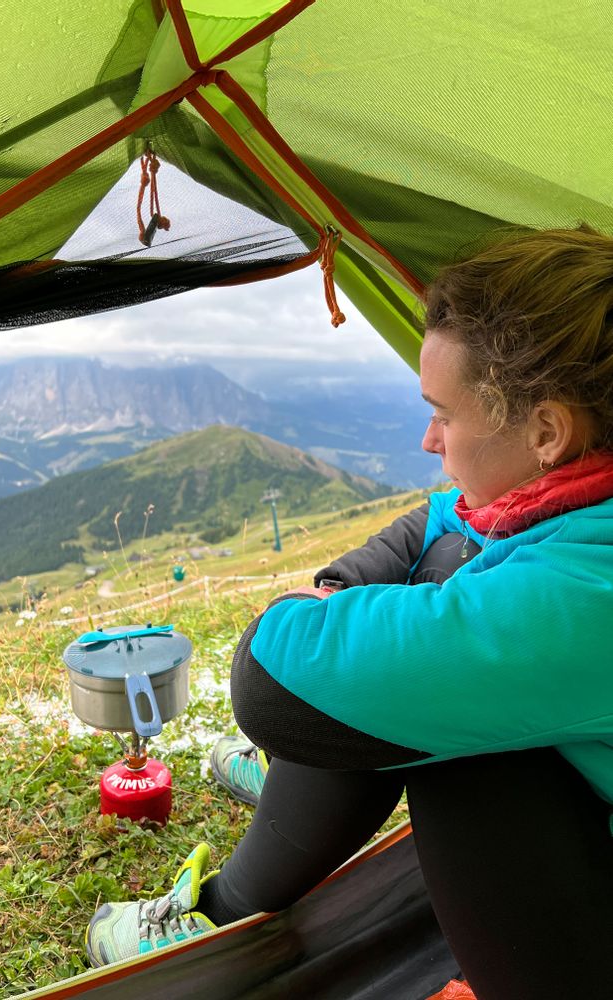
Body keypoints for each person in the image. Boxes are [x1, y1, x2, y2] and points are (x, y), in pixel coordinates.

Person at [85, 226, 613, 999]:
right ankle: (284, 808)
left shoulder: (586, 593)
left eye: (445, 413)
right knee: (418, 637)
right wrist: (344, 586)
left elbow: (267, 679)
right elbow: (439, 522)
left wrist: (319, 606)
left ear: (546, 431)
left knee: (442, 724)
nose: (429, 437)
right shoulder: (578, 499)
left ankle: (224, 911)